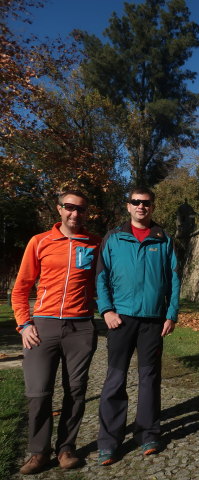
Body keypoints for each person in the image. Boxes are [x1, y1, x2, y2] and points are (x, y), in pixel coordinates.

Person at [12, 190, 101, 474]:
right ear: (59, 209)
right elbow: (21, 288)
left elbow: (110, 281)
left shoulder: (96, 243)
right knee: (39, 393)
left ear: (87, 213)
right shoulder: (40, 242)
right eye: (70, 208)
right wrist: (24, 324)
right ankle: (39, 452)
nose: (75, 214)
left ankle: (66, 448)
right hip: (43, 326)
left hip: (81, 327)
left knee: (75, 391)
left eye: (81, 209)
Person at [96, 186, 180, 465]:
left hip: (153, 320)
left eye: (146, 203)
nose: (141, 207)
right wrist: (106, 310)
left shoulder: (163, 239)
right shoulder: (113, 238)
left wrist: (171, 313)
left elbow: (175, 278)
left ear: (152, 207)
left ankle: (148, 433)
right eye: (136, 202)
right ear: (128, 206)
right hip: (120, 319)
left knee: (150, 378)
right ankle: (109, 442)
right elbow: (101, 277)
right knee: (115, 380)